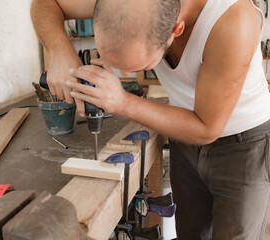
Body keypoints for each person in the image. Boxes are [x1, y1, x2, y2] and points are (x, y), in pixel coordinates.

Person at [31, 0, 270, 239]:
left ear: (176, 31)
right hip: (184, 137)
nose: (124, 75)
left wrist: (121, 101)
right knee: (190, 233)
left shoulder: (234, 21)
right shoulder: (125, 3)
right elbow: (45, 3)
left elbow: (206, 128)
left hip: (244, 147)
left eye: (141, 65)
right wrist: (60, 51)